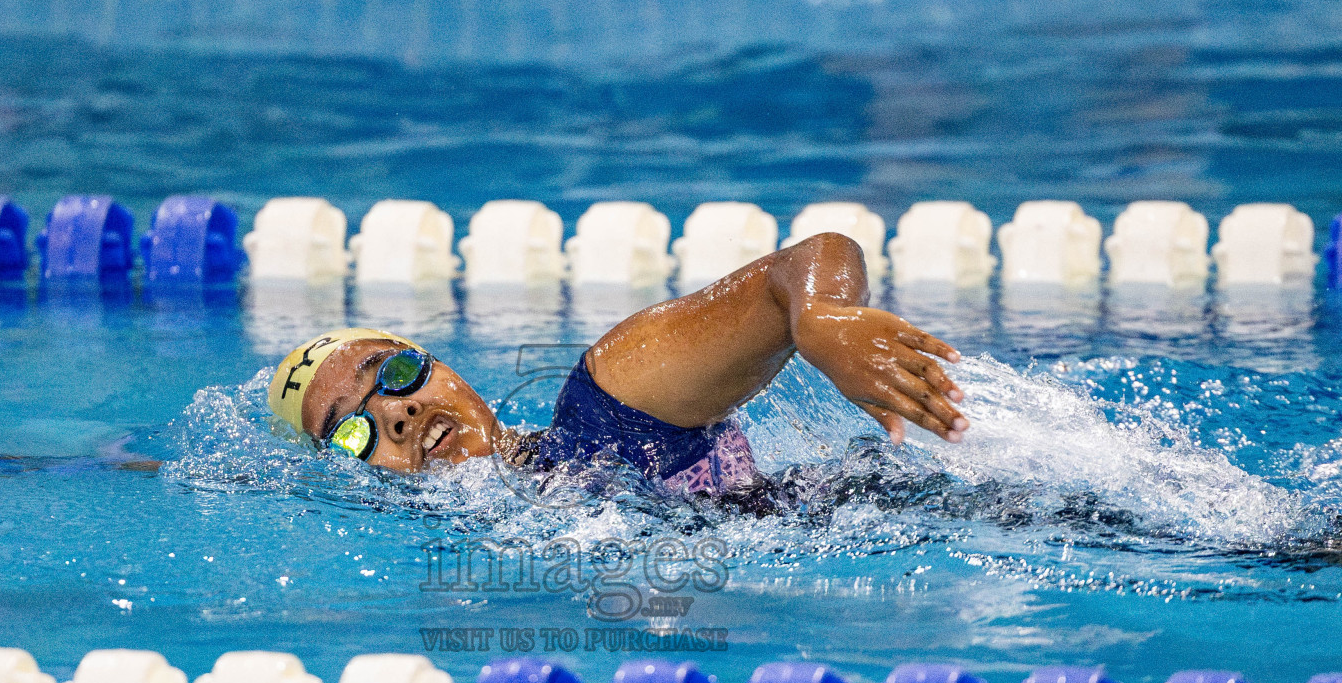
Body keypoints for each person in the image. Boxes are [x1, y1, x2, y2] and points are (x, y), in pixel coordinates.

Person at [267, 232, 968, 495]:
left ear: (441, 366)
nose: (398, 412)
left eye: (394, 375)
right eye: (349, 433)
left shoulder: (609, 406)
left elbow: (809, 262)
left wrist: (824, 322)